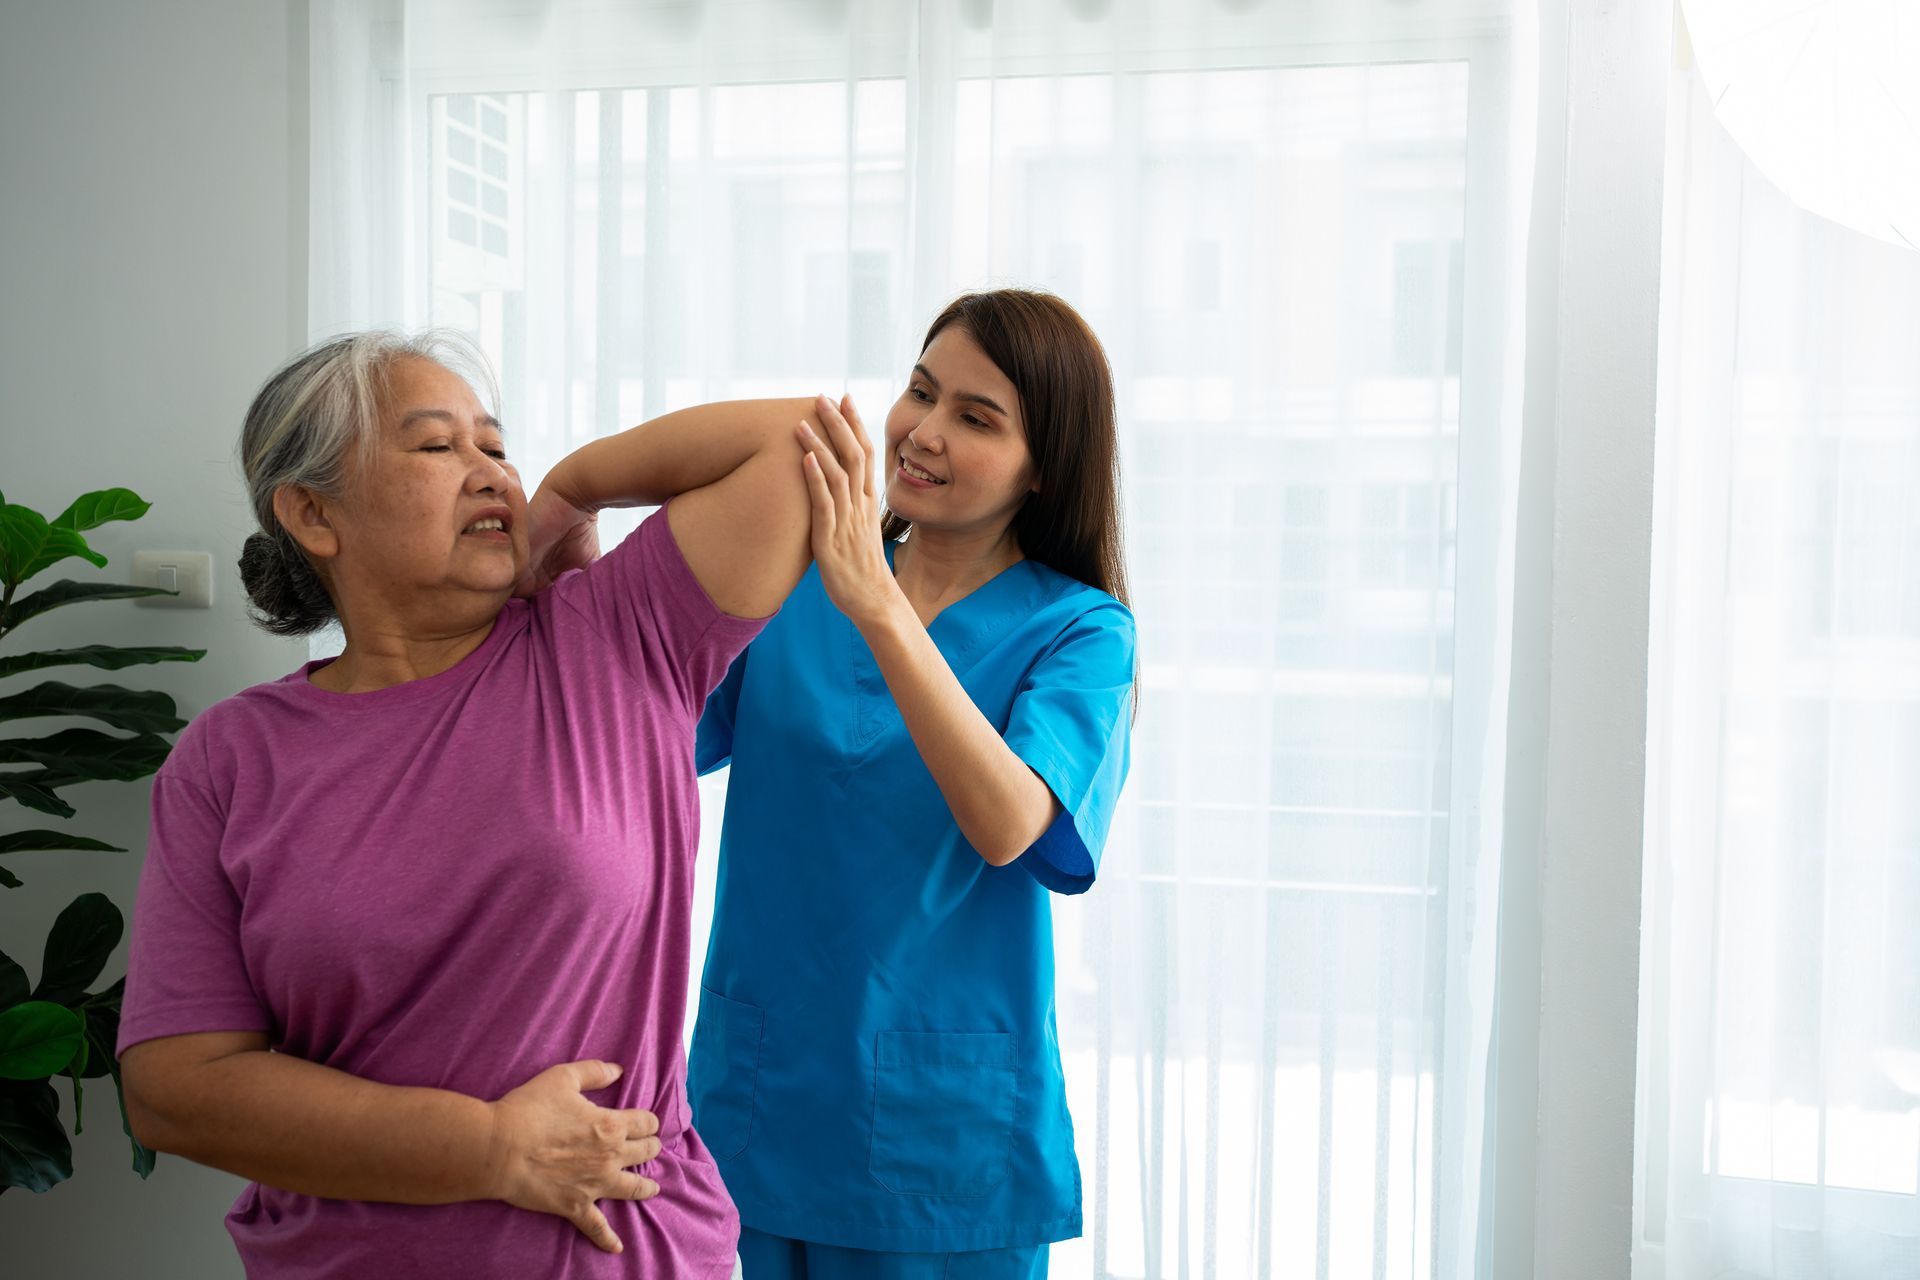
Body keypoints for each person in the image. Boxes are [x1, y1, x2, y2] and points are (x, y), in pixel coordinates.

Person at [117, 330, 825, 1279]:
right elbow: (175, 1088)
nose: (489, 471)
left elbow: (805, 443)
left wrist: (572, 487)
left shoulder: (615, 638)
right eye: (437, 445)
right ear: (313, 514)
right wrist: (489, 1148)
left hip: (627, 1255)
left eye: (495, 445)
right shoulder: (232, 758)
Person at [689, 289, 1137, 1279]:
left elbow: (1008, 822)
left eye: (976, 417)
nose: (923, 432)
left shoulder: (1079, 631)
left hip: (945, 1153)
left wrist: (880, 607)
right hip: (757, 1107)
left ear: (1042, 468)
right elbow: (640, 736)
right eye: (920, 391)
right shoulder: (792, 580)